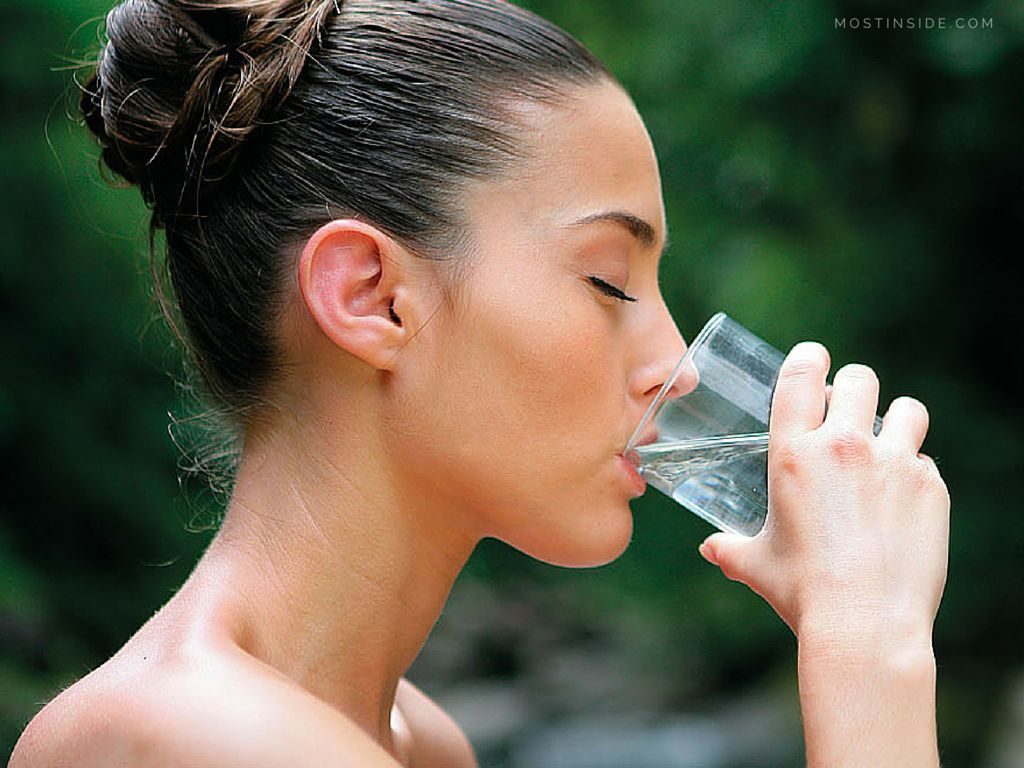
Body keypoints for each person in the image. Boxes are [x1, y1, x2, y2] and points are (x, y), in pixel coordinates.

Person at [10, 0, 950, 765]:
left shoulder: (414, 741)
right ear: (373, 298)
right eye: (608, 280)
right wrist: (870, 650)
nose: (678, 365)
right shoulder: (202, 741)